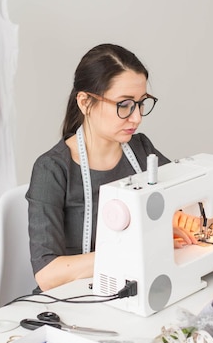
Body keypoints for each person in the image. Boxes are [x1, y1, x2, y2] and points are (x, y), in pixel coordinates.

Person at [26, 43, 201, 292]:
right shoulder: (51, 170)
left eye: (141, 103)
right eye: (124, 105)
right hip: (72, 298)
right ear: (85, 103)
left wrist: (178, 218)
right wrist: (140, 247)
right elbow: (47, 275)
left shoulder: (141, 149)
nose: (137, 117)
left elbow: (185, 197)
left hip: (130, 284)